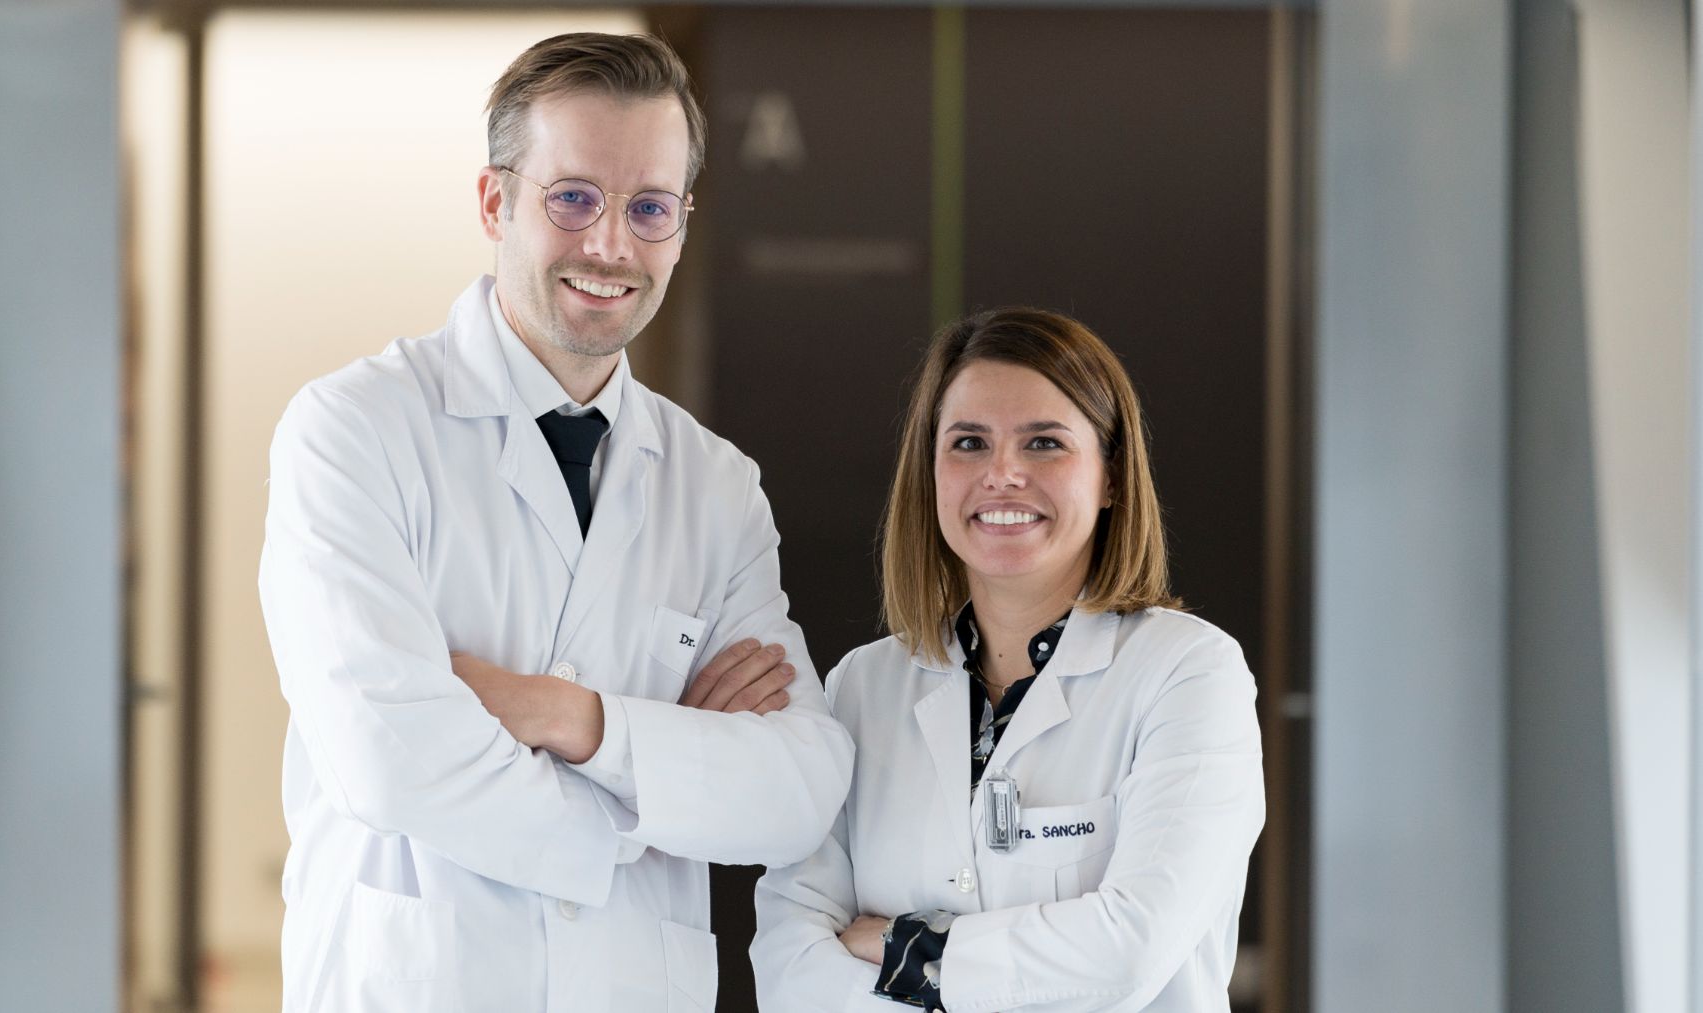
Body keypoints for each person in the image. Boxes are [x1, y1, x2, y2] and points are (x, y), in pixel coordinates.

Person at [259, 33, 854, 1013]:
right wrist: (653, 793)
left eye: (649, 208)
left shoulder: (713, 485)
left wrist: (573, 718)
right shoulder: (354, 431)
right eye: (573, 197)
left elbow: (797, 789)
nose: (611, 245)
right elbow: (389, 755)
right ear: (495, 201)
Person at [750, 308, 1265, 1012]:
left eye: (1045, 443)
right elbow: (789, 963)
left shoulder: (1188, 673)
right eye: (968, 442)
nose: (1002, 475)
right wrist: (1013, 963)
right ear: (930, 472)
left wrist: (899, 947)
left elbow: (1128, 949)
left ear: (1111, 476)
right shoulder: (862, 688)